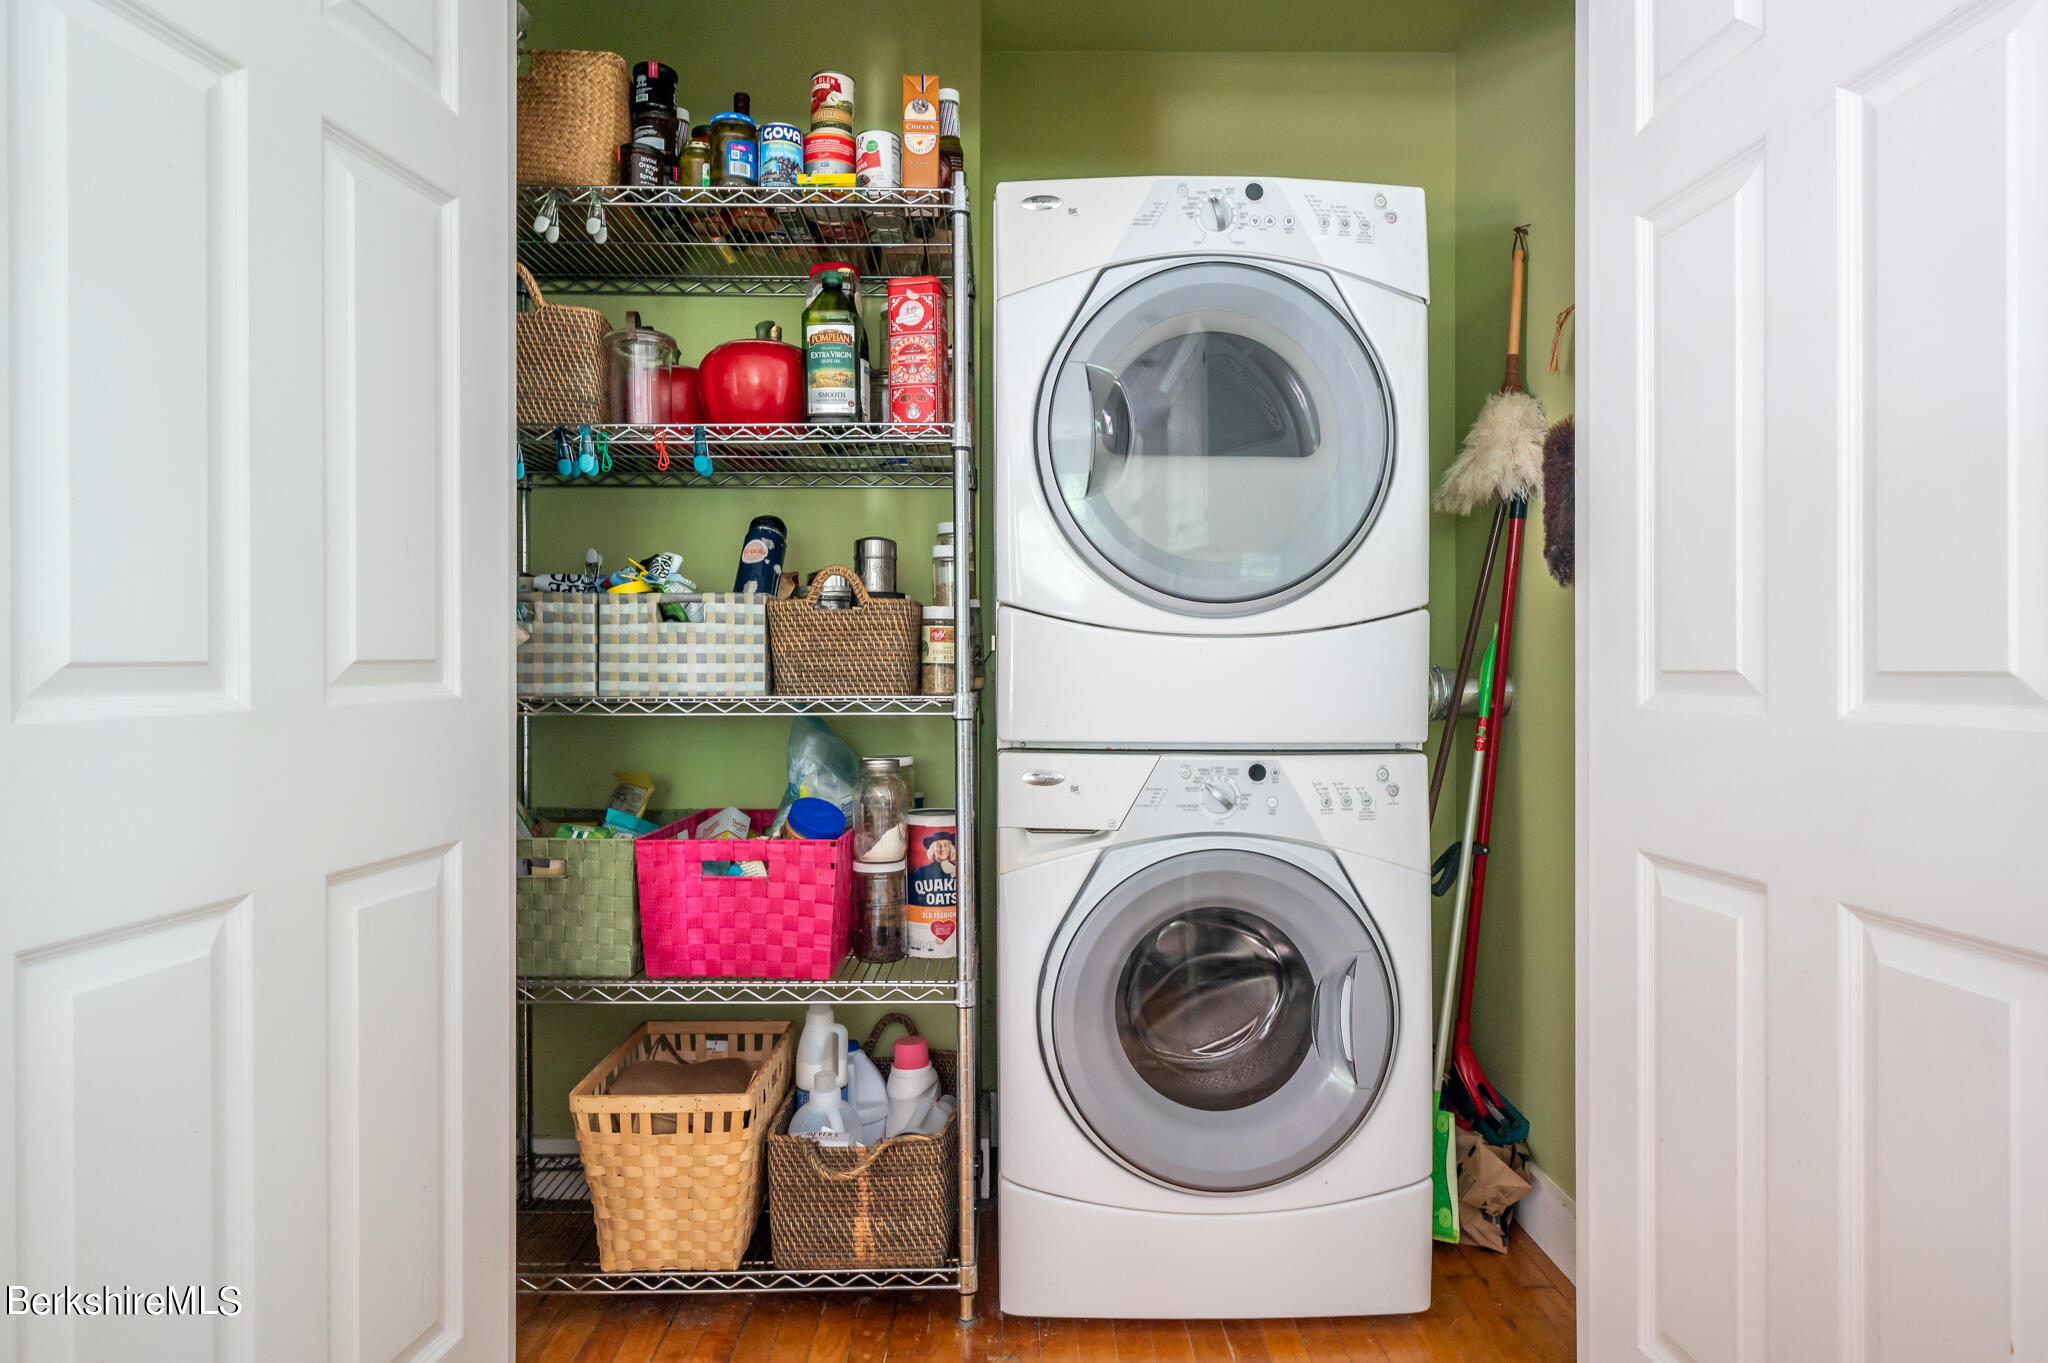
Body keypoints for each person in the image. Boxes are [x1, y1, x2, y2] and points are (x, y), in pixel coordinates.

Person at [909, 830, 957, 905]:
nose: (942, 849)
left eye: (946, 845)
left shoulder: (959, 870)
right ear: (933, 849)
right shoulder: (922, 871)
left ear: (951, 849)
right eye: (938, 845)